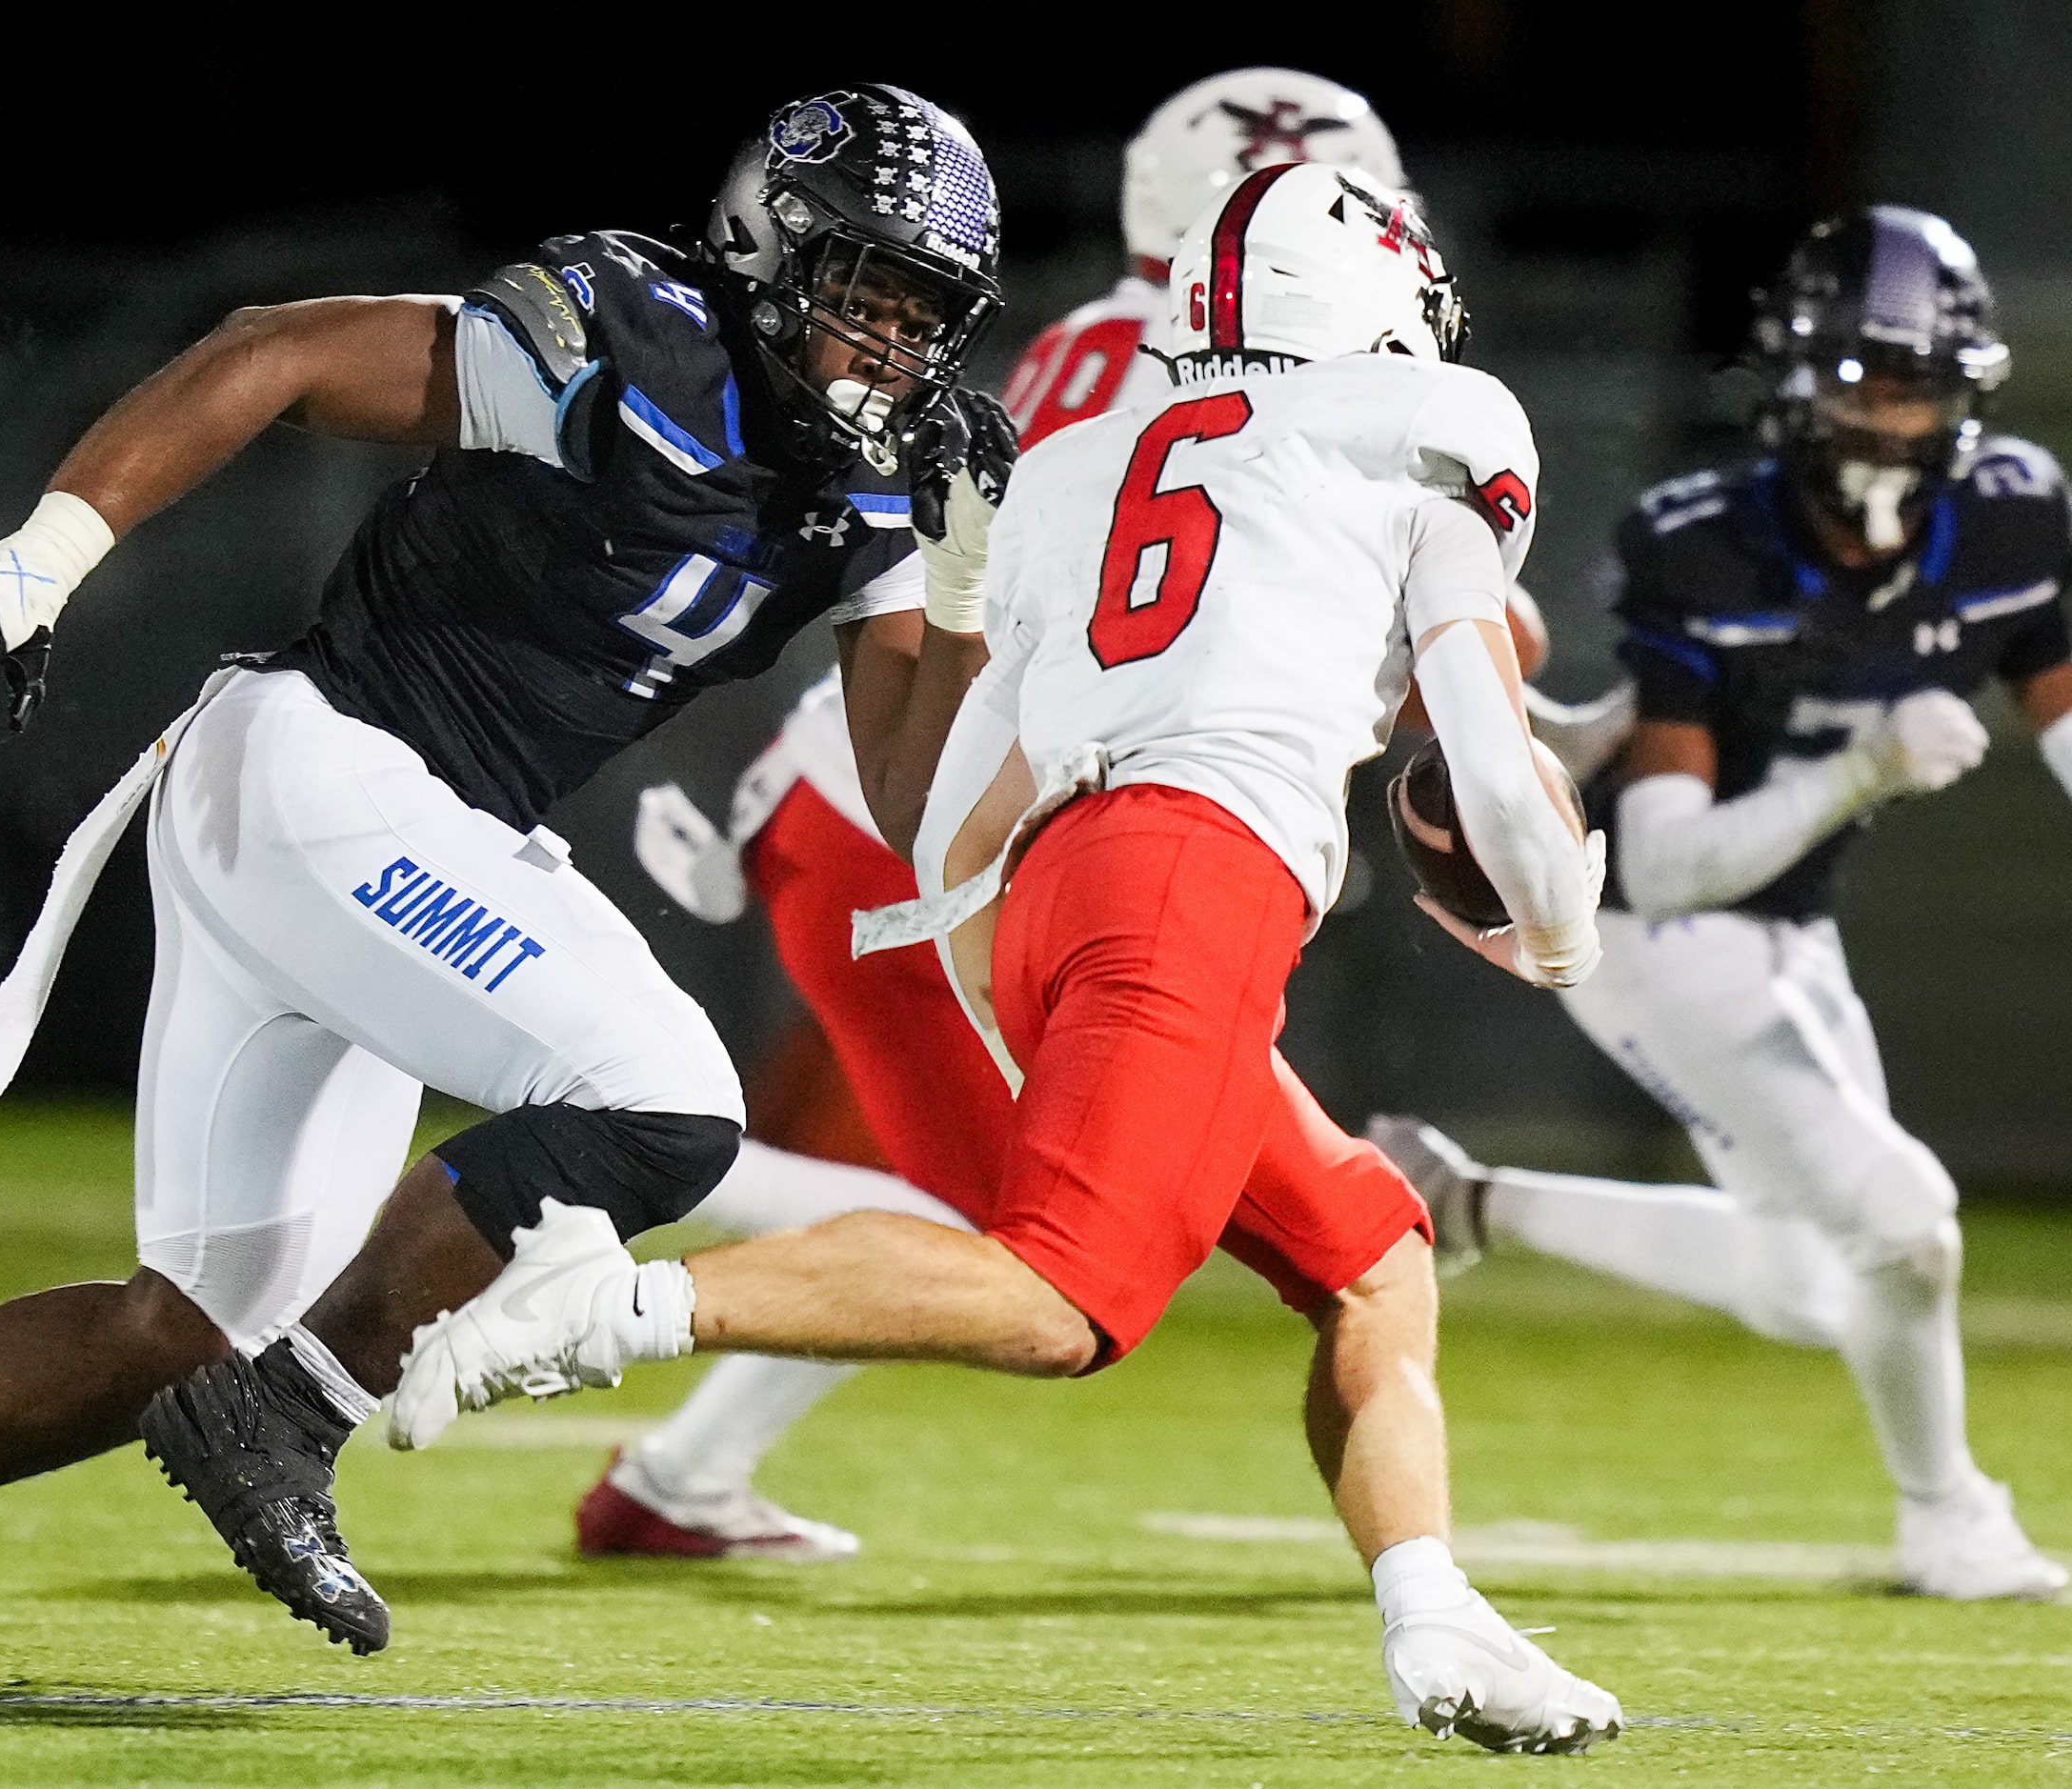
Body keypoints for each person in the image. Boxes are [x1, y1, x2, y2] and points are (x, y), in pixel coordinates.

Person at [0, 85, 1016, 1677]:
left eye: (925, 317)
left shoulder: (900, 474)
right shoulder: (635, 340)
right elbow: (274, 349)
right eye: (863, 297)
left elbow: (912, 788)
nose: (890, 351)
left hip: (386, 827)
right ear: (771, 253)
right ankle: (290, 1419)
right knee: (667, 1099)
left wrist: (961, 592)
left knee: (183, 1321)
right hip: (326, 767)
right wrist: (45, 554)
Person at [392, 162, 1624, 1756]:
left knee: (1370, 1252)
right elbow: (1486, 739)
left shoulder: (1081, 456)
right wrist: (1562, 932)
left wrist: (1004, 993)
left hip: (1059, 887)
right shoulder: (1434, 419)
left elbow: (969, 805)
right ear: (1382, 299)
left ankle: (1434, 1612)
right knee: (1067, 1301)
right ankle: (609, 1301)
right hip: (1195, 874)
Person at [586, 66, 1448, 1563]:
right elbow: (1075, 610)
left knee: (998, 1213)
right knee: (1042, 1248)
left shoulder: (1112, 348)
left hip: (934, 793)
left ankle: (665, 1455)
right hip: (969, 814)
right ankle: (579, 1187)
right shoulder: (1232, 375)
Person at [1375, 207, 2068, 1602]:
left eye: (1919, 383)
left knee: (1840, 1280)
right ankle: (1952, 1518)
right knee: (1909, 1219)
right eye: (1861, 380)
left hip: (1787, 922)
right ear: (1795, 386)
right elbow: (1677, 858)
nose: (1890, 415)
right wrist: (1864, 765)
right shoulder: (1703, 543)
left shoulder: (2013, 511)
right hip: (1646, 918)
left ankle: (1465, 1201)